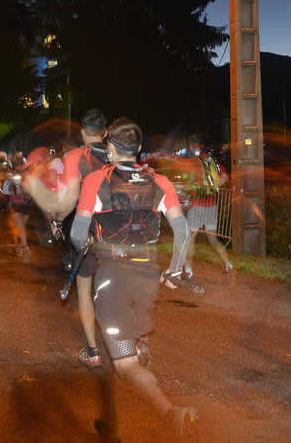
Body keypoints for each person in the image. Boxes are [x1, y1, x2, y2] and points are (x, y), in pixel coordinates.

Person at [70, 117, 196, 437]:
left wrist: (83, 242)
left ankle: (170, 414)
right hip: (149, 272)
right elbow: (182, 229)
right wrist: (176, 267)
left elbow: (76, 233)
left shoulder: (97, 180)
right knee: (124, 347)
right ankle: (109, 416)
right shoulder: (160, 181)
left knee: (125, 363)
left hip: (113, 275)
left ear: (110, 146)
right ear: (138, 149)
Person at [61, 109, 110, 368]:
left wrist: (57, 218)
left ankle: (93, 351)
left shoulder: (76, 157)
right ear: (105, 133)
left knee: (84, 286)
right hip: (119, 233)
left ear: (82, 133)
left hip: (87, 231)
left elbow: (68, 201)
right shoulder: (118, 154)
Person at [179, 137, 233, 280]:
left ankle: (188, 271)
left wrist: (183, 194)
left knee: (191, 239)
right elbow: (225, 177)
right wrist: (213, 188)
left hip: (197, 204)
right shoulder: (212, 161)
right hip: (212, 204)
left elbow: (188, 182)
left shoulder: (192, 162)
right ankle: (229, 266)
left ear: (192, 147)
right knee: (213, 239)